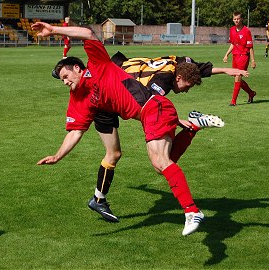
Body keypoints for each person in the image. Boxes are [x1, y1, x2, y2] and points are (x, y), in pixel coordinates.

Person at [31, 22, 206, 236]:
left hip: (154, 107)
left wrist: (53, 30)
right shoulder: (79, 99)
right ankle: (193, 127)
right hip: (152, 113)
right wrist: (58, 156)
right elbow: (75, 131)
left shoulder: (97, 64)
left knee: (161, 162)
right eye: (62, 81)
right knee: (163, 164)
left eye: (66, 77)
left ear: (77, 68)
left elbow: (87, 33)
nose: (65, 82)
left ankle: (191, 211)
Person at [84, 52, 246, 223]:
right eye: (187, 86)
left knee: (156, 162)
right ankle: (98, 200)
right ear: (179, 77)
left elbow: (200, 68)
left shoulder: (181, 64)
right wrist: (176, 120)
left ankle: (98, 199)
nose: (187, 91)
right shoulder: (161, 82)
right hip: (108, 94)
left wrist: (227, 70)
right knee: (133, 157)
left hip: (115, 88)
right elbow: (151, 105)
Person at [223, 12, 257, 106]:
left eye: (238, 19)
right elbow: (233, 44)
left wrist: (253, 61)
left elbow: (250, 47)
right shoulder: (232, 30)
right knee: (237, 78)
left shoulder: (246, 31)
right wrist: (226, 55)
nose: (236, 20)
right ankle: (251, 93)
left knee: (238, 76)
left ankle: (233, 101)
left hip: (244, 55)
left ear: (241, 19)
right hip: (235, 56)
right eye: (234, 19)